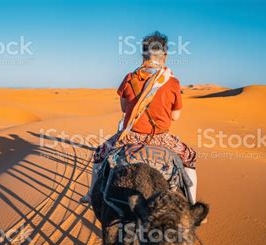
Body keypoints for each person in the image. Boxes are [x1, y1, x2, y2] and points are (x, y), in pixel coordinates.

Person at [81, 31, 197, 204]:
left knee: (99, 155)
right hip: (161, 139)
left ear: (143, 55)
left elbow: (123, 107)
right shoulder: (172, 82)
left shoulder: (130, 78)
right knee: (190, 158)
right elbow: (175, 116)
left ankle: (91, 195)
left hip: (130, 136)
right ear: (164, 56)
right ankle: (192, 205)